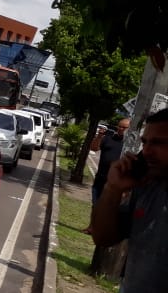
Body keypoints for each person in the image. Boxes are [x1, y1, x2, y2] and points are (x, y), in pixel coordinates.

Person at [90, 108, 168, 292]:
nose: (147, 151)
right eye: (145, 142)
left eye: (158, 143)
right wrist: (112, 189)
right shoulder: (147, 187)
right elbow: (103, 237)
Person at [83, 118, 130, 234]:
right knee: (95, 204)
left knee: (110, 208)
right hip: (101, 178)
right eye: (119, 126)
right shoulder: (109, 139)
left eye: (124, 128)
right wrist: (99, 136)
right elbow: (94, 148)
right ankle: (92, 227)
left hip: (115, 182)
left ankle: (103, 230)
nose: (121, 129)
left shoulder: (129, 145)